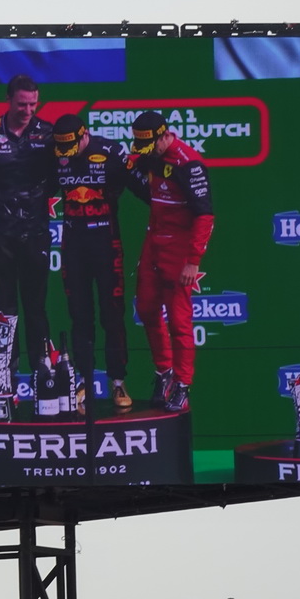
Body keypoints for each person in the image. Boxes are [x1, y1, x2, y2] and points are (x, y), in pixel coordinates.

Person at [52, 113, 148, 409]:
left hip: (106, 242)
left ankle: (118, 382)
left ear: (84, 135)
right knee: (80, 316)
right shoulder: (57, 153)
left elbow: (145, 188)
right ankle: (82, 380)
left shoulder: (112, 152)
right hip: (73, 243)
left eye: (73, 147)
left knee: (113, 314)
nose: (68, 155)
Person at [0, 74, 56, 388]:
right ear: (8, 100)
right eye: (22, 104)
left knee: (35, 305)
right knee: (3, 306)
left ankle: (41, 371)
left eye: (33, 104)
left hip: (35, 232)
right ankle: (5, 373)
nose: (28, 110)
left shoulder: (48, 134)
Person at [128, 111, 215, 412]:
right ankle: (163, 371)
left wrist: (193, 261)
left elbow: (205, 215)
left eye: (150, 145)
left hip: (179, 251)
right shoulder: (149, 155)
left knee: (179, 321)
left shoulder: (188, 163)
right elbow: (144, 188)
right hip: (153, 242)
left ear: (165, 136)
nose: (145, 152)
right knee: (147, 308)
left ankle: (182, 383)